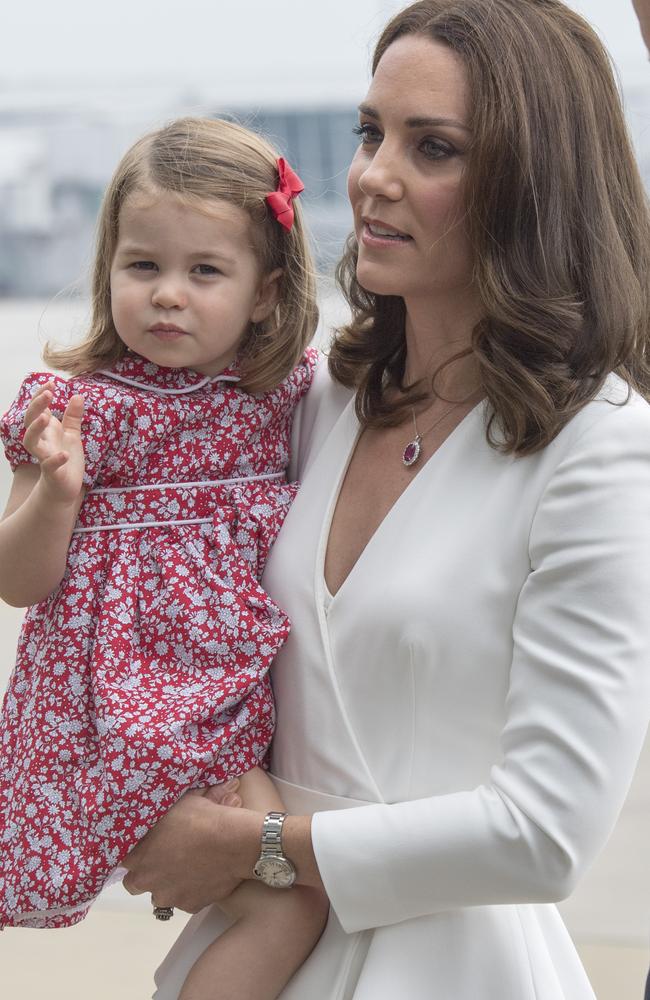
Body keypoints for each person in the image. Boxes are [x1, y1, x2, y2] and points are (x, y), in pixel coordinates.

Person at [125, 2, 650, 998]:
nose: (373, 173)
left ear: (527, 185)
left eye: (432, 147)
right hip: (252, 957)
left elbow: (543, 835)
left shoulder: (601, 447)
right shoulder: (317, 399)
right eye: (370, 131)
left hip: (458, 970)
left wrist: (259, 846)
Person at [0, 116, 329, 999]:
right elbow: (16, 580)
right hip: (122, 715)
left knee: (287, 903)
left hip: (222, 705)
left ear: (265, 292)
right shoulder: (75, 413)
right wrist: (57, 498)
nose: (168, 294)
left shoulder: (284, 397)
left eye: (205, 271)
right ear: (108, 268)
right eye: (143, 266)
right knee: (290, 903)